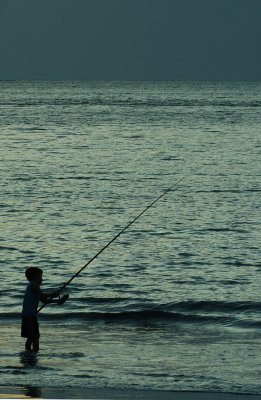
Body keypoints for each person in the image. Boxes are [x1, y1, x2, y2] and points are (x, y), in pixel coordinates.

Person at [21, 267, 66, 352]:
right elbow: (44, 295)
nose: (42, 279)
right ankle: (34, 353)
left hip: (27, 315)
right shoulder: (34, 284)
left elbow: (44, 300)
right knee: (36, 336)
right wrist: (53, 294)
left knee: (31, 337)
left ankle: (28, 353)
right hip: (30, 315)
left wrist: (57, 301)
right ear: (35, 276)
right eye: (40, 276)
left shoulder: (30, 285)